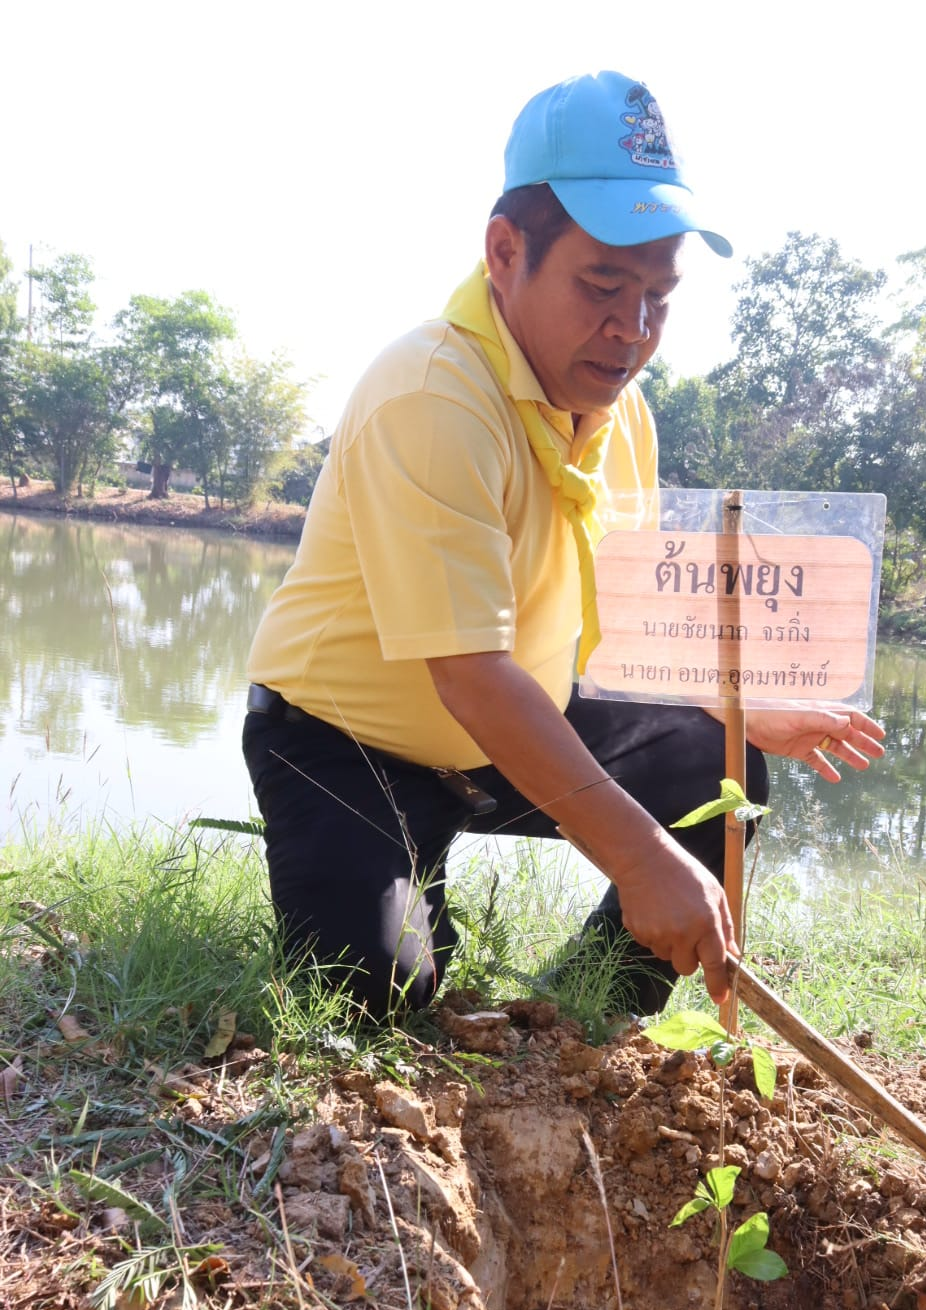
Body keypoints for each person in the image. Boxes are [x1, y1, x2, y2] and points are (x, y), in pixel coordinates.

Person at [243, 70, 885, 1020]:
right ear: (506, 252)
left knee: (719, 765)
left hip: (508, 733)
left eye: (659, 297)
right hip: (350, 742)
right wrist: (635, 854)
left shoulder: (621, 416)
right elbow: (467, 671)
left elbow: (616, 634)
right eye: (601, 285)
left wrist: (733, 702)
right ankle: (397, 886)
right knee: (370, 992)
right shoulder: (432, 395)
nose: (631, 330)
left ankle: (580, 1017)